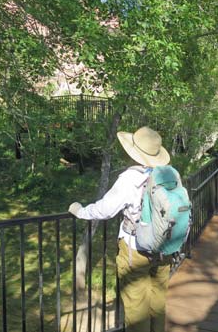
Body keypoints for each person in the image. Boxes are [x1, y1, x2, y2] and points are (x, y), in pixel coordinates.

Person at [68, 126, 171, 332]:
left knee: (136, 308)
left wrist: (80, 211)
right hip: (165, 246)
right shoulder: (168, 174)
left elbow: (105, 209)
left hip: (137, 249)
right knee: (158, 303)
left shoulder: (130, 178)